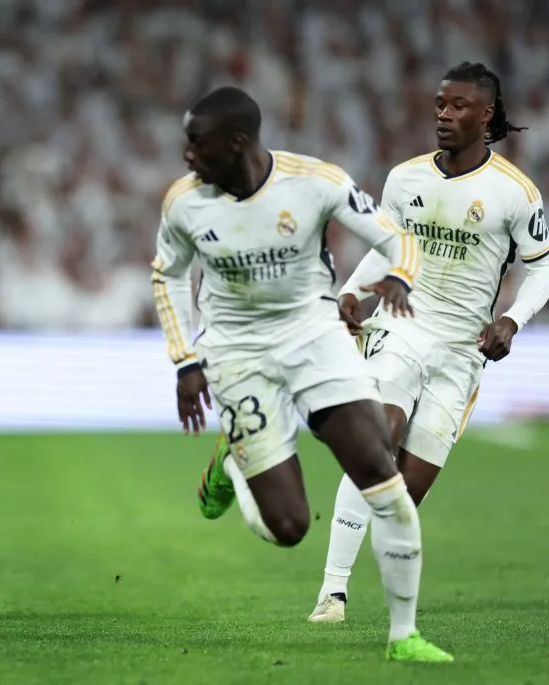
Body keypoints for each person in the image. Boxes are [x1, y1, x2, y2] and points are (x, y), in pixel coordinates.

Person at [153, 85, 451, 662]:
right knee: (289, 527)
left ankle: (404, 635)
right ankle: (235, 464)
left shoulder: (315, 181)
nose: (186, 155)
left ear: (236, 143)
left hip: (314, 339)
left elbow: (398, 237)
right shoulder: (184, 203)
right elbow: (166, 276)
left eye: (197, 144)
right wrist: (185, 360)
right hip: (237, 355)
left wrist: (401, 278)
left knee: (380, 475)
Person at [307, 62, 549, 624]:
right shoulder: (405, 178)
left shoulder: (516, 193)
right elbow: (385, 247)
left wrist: (511, 320)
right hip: (401, 325)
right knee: (379, 437)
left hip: (463, 349)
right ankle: (332, 593)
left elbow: (541, 268)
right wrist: (352, 293)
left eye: (458, 106)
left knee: (402, 496)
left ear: (486, 115)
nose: (444, 114)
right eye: (440, 103)